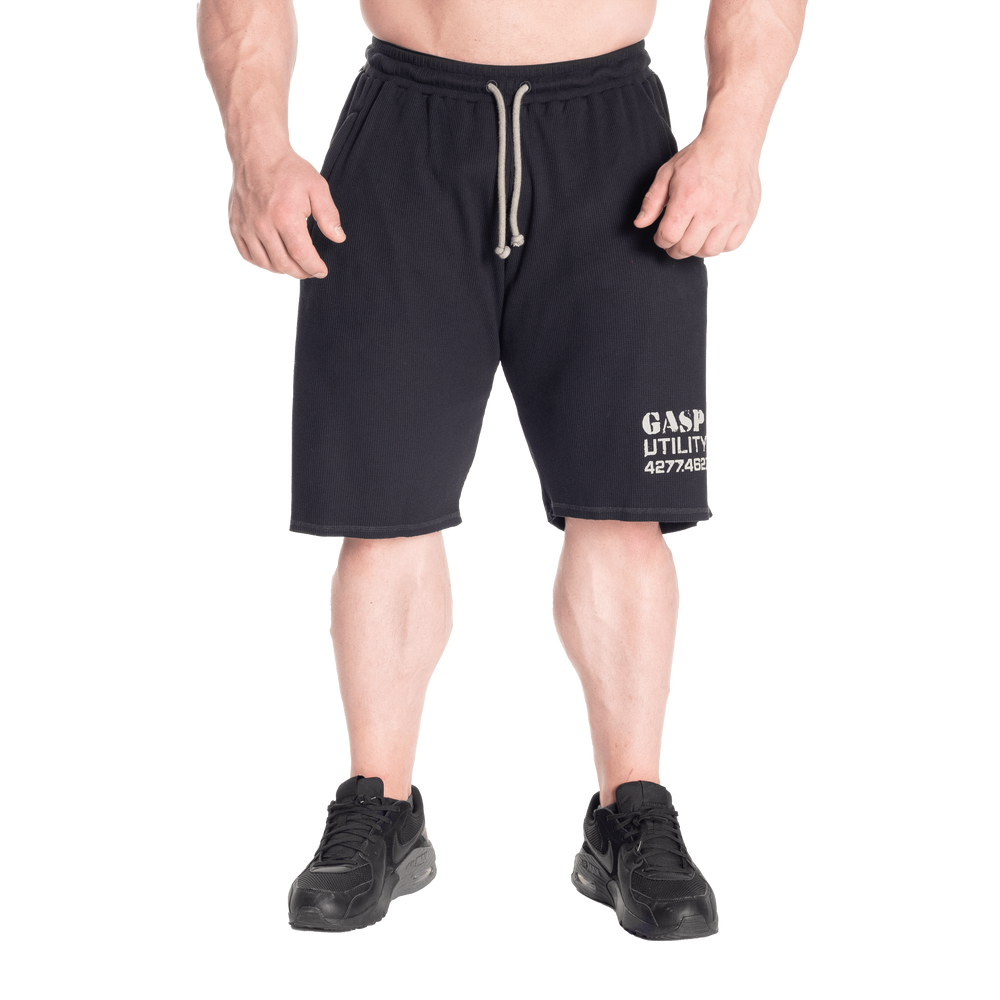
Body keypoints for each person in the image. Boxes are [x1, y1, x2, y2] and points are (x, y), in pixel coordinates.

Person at [194, 0, 809, 942]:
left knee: (625, 510)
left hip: (614, 144)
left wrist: (735, 137)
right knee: (385, 511)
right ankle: (379, 806)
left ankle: (632, 812)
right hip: (404, 135)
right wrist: (259, 151)